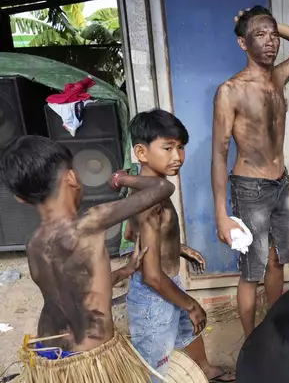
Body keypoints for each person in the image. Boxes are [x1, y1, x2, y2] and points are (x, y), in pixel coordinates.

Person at [0, 135, 174, 383]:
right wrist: (122, 178)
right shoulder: (92, 220)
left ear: (20, 198)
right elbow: (163, 188)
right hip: (92, 360)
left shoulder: (34, 244)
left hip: (49, 354)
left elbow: (73, 289)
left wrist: (125, 271)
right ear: (71, 177)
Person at [212, 5, 289, 337]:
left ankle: (273, 330)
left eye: (273, 35)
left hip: (280, 185)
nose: (270, 42)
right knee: (251, 270)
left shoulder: (278, 77)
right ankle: (250, 342)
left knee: (277, 261)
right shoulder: (230, 91)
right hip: (250, 188)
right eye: (260, 36)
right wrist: (221, 213)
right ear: (243, 44)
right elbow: (219, 153)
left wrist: (271, 23)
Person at [125, 109, 235, 382]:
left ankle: (204, 369)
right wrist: (189, 303)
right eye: (168, 148)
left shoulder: (152, 187)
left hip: (167, 281)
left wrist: (179, 247)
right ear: (141, 152)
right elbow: (151, 276)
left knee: (189, 330)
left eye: (181, 147)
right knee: (157, 363)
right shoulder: (149, 201)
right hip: (154, 294)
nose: (177, 156)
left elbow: (130, 233)